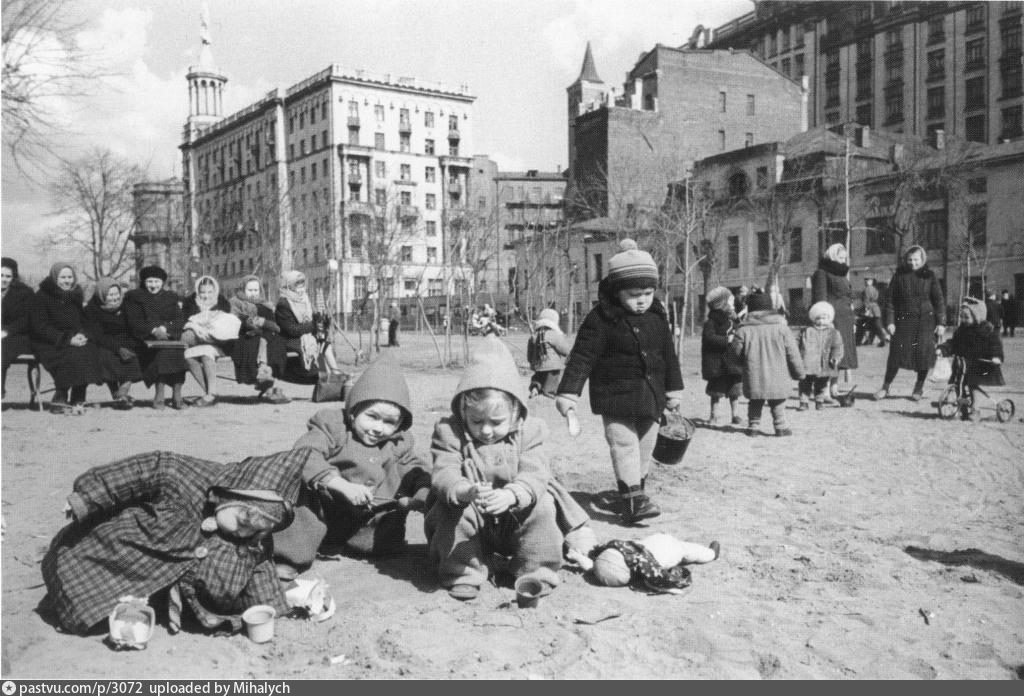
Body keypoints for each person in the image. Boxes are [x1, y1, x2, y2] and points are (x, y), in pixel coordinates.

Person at [41, 447, 315, 637]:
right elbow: (143, 469)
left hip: (172, 574)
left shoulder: (251, 538)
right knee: (81, 601)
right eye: (242, 523)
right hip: (121, 551)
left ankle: (165, 599)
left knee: (236, 567)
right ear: (230, 496)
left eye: (254, 532)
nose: (242, 533)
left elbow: (261, 568)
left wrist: (275, 610)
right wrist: (88, 497)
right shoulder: (182, 478)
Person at [426, 337, 592, 601]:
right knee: (451, 512)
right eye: (476, 421)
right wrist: (463, 490)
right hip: (475, 517)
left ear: (515, 413)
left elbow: (535, 472)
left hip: (516, 514)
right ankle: (463, 571)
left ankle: (536, 570)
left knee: (544, 505)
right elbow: (444, 470)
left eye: (497, 421)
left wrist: (513, 494)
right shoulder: (449, 433)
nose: (487, 430)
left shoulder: (531, 431)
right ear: (463, 410)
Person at [555, 239, 684, 525]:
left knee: (645, 448)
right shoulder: (601, 319)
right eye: (634, 294)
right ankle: (633, 501)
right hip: (615, 398)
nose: (642, 300)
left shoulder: (656, 316)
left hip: (651, 397)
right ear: (617, 291)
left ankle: (634, 494)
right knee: (624, 445)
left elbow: (668, 356)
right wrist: (568, 392)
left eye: (648, 293)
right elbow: (582, 357)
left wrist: (674, 389)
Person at [272, 354, 431, 575]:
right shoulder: (333, 426)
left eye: (389, 422)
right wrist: (339, 484)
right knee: (300, 489)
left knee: (406, 474)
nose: (378, 428)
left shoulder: (397, 441)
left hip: (366, 518)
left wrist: (423, 492)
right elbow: (304, 454)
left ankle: (368, 544)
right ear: (354, 410)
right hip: (326, 509)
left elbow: (415, 468)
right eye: (372, 416)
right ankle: (289, 556)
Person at [30, 263, 104, 413]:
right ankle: (61, 395)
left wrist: (82, 335)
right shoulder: (42, 296)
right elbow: (40, 327)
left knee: (89, 349)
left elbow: (83, 321)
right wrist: (67, 339)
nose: (67, 281)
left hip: (74, 338)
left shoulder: (75, 295)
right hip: (49, 341)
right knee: (69, 354)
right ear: (55, 278)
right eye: (63, 277)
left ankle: (78, 395)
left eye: (70, 277)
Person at [874, 246, 945, 401]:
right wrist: (890, 322)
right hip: (903, 321)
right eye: (910, 260)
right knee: (895, 355)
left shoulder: (930, 276)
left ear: (922, 260)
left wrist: (941, 323)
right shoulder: (899, 276)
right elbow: (890, 301)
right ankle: (885, 387)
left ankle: (918, 389)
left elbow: (938, 300)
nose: (913, 263)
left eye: (916, 260)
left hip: (925, 322)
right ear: (906, 260)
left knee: (923, 355)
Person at [731, 290, 805, 436]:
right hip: (778, 374)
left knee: (755, 401)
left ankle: (753, 426)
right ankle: (780, 426)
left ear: (750, 310)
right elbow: (793, 354)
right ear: (771, 310)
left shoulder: (743, 330)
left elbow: (734, 354)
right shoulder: (782, 329)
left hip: (754, 374)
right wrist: (799, 373)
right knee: (778, 401)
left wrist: (742, 365)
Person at [123, 265, 188, 410]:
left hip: (168, 337)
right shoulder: (134, 297)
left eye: (156, 281)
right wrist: (153, 330)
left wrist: (166, 328)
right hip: (143, 340)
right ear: (144, 282)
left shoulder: (170, 297)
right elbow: (134, 320)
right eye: (149, 281)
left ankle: (177, 393)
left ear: (163, 282)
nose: (153, 285)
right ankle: (160, 392)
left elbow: (178, 319)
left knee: (178, 352)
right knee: (162, 353)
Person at [936, 297, 1004, 421]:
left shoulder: (987, 331)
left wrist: (996, 356)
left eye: (966, 317)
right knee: (957, 383)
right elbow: (953, 343)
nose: (963, 320)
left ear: (977, 317)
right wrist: (943, 349)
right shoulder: (961, 331)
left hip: (981, 365)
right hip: (964, 364)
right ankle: (960, 406)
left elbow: (995, 345)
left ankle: (975, 409)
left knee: (973, 383)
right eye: (961, 317)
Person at [84, 278, 143, 410]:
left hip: (126, 340)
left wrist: (127, 345)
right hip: (105, 343)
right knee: (106, 357)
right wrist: (117, 348)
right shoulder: (92, 309)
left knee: (134, 357)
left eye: (116, 294)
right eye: (110, 295)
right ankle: (118, 396)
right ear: (102, 295)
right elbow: (97, 334)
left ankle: (122, 391)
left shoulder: (127, 305)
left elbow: (132, 327)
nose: (115, 298)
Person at [181, 275, 238, 408]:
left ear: (215, 291)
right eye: (202, 292)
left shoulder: (222, 302)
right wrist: (193, 325)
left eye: (210, 292)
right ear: (197, 291)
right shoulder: (190, 302)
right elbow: (183, 321)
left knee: (207, 353)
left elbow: (225, 326)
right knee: (187, 355)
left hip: (219, 342)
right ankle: (210, 393)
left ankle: (211, 394)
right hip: (198, 341)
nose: (206, 296)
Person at [229, 275, 289, 403]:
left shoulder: (265, 305)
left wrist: (264, 323)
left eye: (256, 290)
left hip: (265, 334)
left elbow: (273, 324)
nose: (253, 293)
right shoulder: (236, 302)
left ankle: (266, 375)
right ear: (243, 289)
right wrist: (251, 323)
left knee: (277, 343)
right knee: (255, 342)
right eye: (250, 290)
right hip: (245, 334)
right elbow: (234, 320)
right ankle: (263, 376)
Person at [811, 243, 858, 399]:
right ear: (831, 256)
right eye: (840, 257)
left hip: (845, 319)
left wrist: (853, 319)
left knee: (840, 354)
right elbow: (820, 298)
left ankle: (834, 388)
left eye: (845, 258)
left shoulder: (842, 274)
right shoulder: (822, 273)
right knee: (829, 354)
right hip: (832, 319)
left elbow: (848, 296)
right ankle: (823, 390)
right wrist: (825, 319)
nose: (843, 261)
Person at [276, 270, 340, 381]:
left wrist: (323, 321)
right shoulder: (283, 304)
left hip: (304, 335)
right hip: (289, 339)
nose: (301, 290)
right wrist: (314, 325)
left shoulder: (305, 300)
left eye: (302, 287)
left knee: (325, 344)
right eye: (298, 287)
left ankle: (336, 374)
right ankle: (325, 376)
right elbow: (291, 330)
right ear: (290, 287)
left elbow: (313, 319)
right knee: (316, 345)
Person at [701, 286, 743, 426]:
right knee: (716, 390)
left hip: (732, 362)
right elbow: (709, 338)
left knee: (734, 389)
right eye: (730, 303)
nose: (733, 305)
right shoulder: (711, 322)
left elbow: (739, 330)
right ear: (721, 305)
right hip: (717, 364)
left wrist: (738, 322)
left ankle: (735, 414)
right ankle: (714, 415)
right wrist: (726, 340)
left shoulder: (732, 319)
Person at [797, 302, 844, 411]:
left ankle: (819, 401)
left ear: (830, 319)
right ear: (813, 319)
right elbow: (798, 343)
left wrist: (836, 357)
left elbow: (837, 346)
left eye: (824, 318)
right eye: (818, 318)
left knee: (822, 383)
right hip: (808, 362)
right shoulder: (807, 331)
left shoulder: (833, 333)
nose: (821, 321)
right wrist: (798, 355)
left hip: (826, 362)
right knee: (805, 383)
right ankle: (804, 401)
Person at [2, 257, 36, 400]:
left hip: (21, 337)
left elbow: (27, 320)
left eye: (8, 276)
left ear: (14, 276)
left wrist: (6, 331)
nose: (4, 279)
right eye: (1, 275)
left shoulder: (24, 293)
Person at [527, 308, 571, 398]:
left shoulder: (534, 335)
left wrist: (532, 361)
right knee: (552, 378)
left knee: (538, 377)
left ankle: (535, 388)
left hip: (538, 364)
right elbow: (565, 350)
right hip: (552, 366)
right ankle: (548, 391)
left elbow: (529, 354)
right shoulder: (553, 334)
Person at [858, 278, 888, 347]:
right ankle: (870, 340)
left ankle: (882, 340)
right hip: (876, 309)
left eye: (867, 281)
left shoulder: (867, 289)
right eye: (865, 281)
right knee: (875, 326)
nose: (865, 282)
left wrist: (866, 310)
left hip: (870, 310)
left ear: (871, 282)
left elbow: (866, 300)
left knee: (864, 325)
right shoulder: (875, 289)